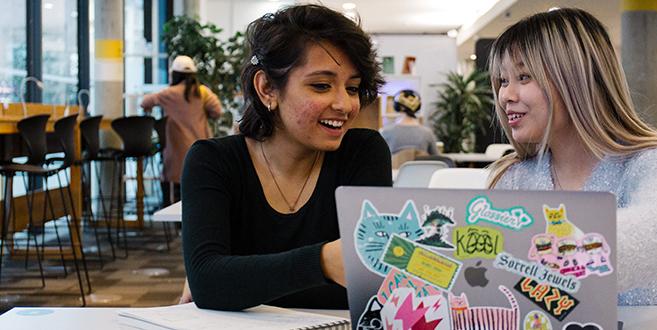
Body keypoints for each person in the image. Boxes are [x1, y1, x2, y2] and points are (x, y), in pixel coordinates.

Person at [486, 8, 657, 306]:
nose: (506, 95)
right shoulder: (514, 177)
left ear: (576, 79)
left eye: (523, 77)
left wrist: (525, 256)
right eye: (503, 81)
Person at [180, 4, 390, 311]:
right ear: (267, 88)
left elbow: (371, 282)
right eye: (321, 85)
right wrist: (324, 263)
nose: (345, 104)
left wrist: (238, 280)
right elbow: (209, 283)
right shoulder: (213, 161)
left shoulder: (363, 152)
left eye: (353, 88)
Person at [140, 55, 223, 205]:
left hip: (176, 150)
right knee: (199, 189)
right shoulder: (202, 92)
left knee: (175, 187)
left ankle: (176, 224)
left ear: (175, 74)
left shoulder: (168, 93)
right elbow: (217, 111)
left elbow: (144, 102)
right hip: (201, 148)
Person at [380, 89, 439, 155]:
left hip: (395, 165)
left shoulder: (386, 132)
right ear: (418, 106)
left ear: (396, 106)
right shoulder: (427, 133)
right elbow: (437, 158)